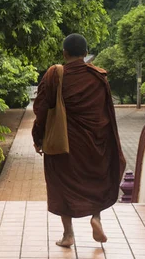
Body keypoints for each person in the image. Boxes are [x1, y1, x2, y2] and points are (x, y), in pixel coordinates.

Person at [31, 33, 126, 247]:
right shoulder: (98, 77)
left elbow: (42, 109)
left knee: (62, 184)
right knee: (96, 179)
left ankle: (68, 235)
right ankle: (96, 218)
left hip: (63, 142)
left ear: (64, 53)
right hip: (94, 141)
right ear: (85, 53)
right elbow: (107, 113)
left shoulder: (54, 75)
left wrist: (38, 136)